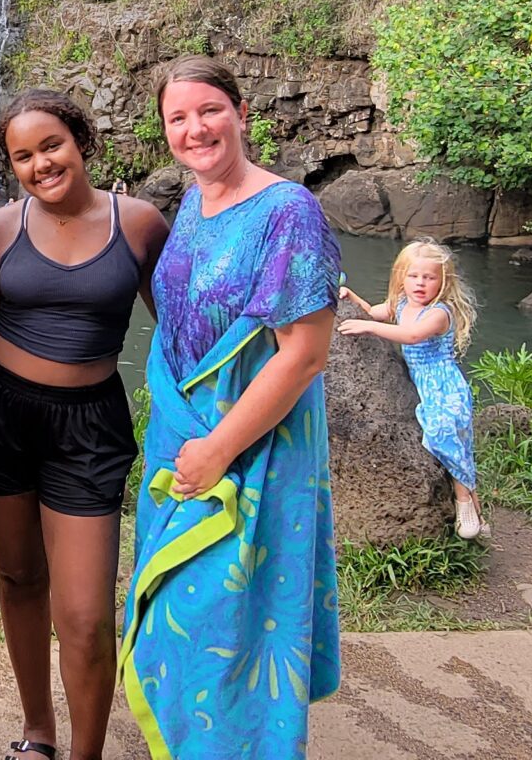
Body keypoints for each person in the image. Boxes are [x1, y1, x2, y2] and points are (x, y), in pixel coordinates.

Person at [121, 56, 343, 760]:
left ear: (242, 114)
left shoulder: (288, 212)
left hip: (250, 452)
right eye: (177, 118)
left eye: (209, 110)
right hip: (182, 442)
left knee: (227, 622)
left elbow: (304, 354)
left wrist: (218, 450)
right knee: (176, 621)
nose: (195, 129)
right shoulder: (194, 202)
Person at [0, 89, 170, 760]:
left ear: (81, 141)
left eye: (52, 146)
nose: (40, 164)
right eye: (23, 156)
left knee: (86, 614)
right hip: (0, 414)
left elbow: (180, 325)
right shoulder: (1, 229)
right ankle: (38, 731)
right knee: (19, 579)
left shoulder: (139, 223)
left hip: (89, 428)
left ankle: (85, 753)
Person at [340, 242, 484, 539]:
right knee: (452, 444)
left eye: (429, 278)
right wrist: (350, 296)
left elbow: (412, 335)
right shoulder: (402, 303)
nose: (420, 283)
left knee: (444, 434)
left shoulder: (439, 313)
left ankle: (464, 500)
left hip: (443, 385)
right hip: (420, 382)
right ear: (401, 277)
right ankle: (477, 514)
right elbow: (372, 312)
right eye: (414, 276)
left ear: (443, 282)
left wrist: (369, 328)